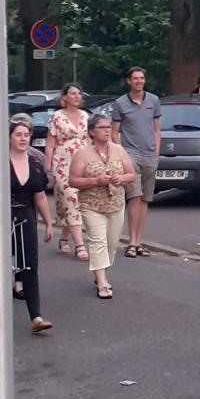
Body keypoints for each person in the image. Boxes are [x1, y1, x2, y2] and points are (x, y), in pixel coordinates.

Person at [68, 113, 136, 299]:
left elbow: (131, 174)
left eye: (108, 127)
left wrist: (120, 178)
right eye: (102, 127)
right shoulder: (83, 153)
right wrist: (96, 180)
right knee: (98, 241)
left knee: (111, 243)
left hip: (115, 204)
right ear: (92, 132)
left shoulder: (119, 150)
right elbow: (73, 180)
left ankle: (101, 273)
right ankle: (102, 282)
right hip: (91, 204)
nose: (107, 130)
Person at [8, 115, 56, 333]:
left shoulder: (35, 163)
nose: (23, 139)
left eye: (26, 135)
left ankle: (36, 317)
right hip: (3, 216)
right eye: (18, 134)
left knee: (30, 265)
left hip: (27, 215)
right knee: (0, 264)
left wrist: (48, 222)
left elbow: (40, 196)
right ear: (9, 137)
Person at [113, 67, 162, 257]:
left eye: (141, 78)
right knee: (134, 196)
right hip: (131, 154)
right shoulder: (120, 103)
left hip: (150, 154)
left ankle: (139, 241)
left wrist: (156, 151)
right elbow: (115, 132)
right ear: (129, 81)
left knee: (145, 199)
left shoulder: (153, 100)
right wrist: (122, 153)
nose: (139, 81)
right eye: (135, 78)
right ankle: (131, 242)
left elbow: (156, 129)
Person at [47, 85, 92, 261]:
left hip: (82, 164)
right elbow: (50, 144)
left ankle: (64, 238)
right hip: (62, 164)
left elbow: (90, 141)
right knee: (71, 198)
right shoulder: (57, 117)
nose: (77, 96)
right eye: (73, 93)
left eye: (79, 93)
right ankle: (80, 245)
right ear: (64, 97)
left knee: (75, 202)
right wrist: (48, 169)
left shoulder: (86, 116)